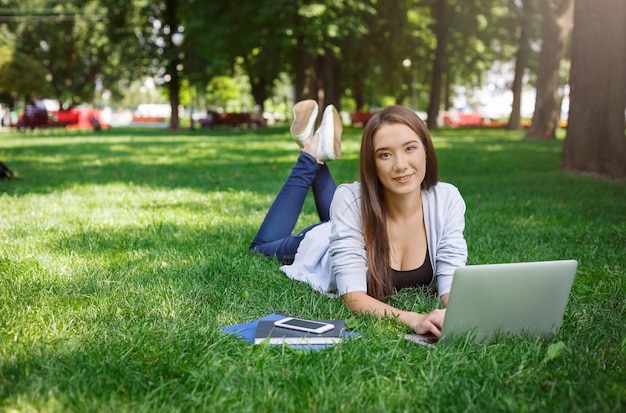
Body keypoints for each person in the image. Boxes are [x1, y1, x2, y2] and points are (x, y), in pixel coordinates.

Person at [250, 101, 467, 337]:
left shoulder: (447, 199)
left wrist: (454, 311)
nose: (400, 165)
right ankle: (310, 152)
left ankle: (313, 144)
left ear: (426, 150)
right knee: (260, 247)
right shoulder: (349, 200)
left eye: (410, 148)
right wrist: (415, 319)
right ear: (372, 164)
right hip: (323, 243)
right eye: (385, 154)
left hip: (350, 225)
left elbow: (451, 280)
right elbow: (353, 295)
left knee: (349, 205)